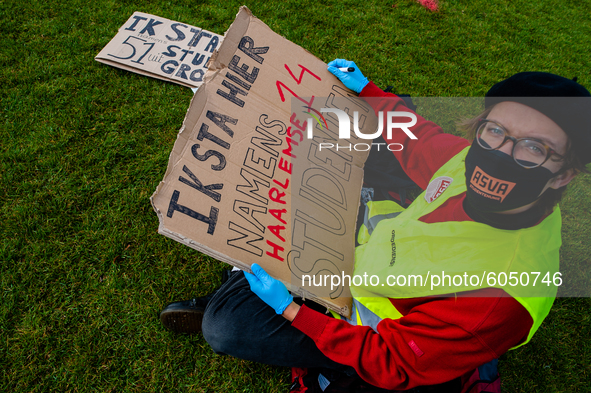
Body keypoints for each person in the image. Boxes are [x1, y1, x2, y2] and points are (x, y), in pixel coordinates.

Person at [159, 60, 591, 392]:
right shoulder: (467, 158)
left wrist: (291, 310)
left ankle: (242, 285)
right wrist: (367, 91)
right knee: (372, 118)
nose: (500, 153)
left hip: (374, 328)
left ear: (563, 174)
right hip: (368, 258)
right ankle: (247, 278)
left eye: (533, 148)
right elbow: (418, 139)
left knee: (227, 325)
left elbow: (393, 362)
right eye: (494, 131)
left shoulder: (501, 296)